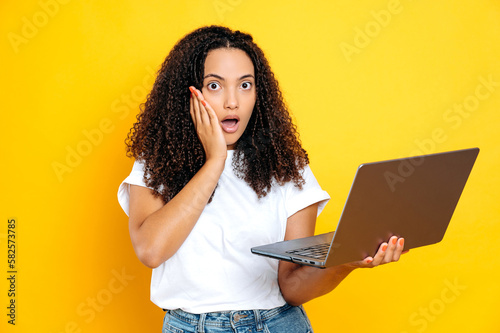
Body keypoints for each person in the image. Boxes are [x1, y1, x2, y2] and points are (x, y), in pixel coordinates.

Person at [117, 25, 405, 333]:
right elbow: (151, 250)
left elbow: (293, 286)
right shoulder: (158, 161)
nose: (232, 102)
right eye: (215, 86)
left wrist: (347, 261)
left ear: (259, 92)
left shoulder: (285, 165)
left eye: (245, 85)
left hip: (276, 324)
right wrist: (215, 161)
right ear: (189, 93)